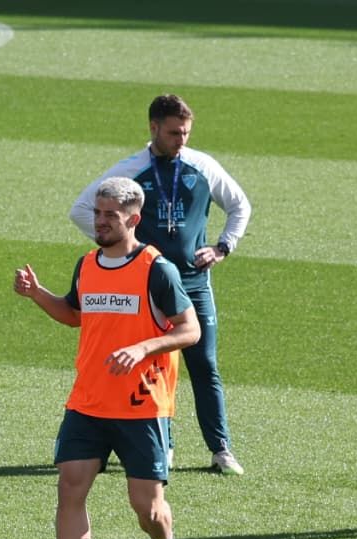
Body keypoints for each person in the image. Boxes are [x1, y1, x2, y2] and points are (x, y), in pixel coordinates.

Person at [15, 176, 201, 539]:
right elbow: (75, 314)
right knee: (70, 487)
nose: (99, 222)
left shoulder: (157, 270)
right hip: (88, 402)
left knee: (147, 508)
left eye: (109, 216)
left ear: (133, 219)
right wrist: (38, 294)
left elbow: (190, 330)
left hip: (142, 406)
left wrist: (143, 347)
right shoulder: (87, 265)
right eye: (97, 213)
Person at [69, 93, 250, 476]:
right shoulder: (130, 170)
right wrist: (125, 250)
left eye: (185, 132)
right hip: (149, 287)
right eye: (173, 133)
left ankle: (220, 448)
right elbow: (81, 210)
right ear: (153, 128)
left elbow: (240, 205)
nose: (181, 140)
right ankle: (162, 444)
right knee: (154, 365)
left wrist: (222, 247)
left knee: (205, 365)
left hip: (194, 282)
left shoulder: (202, 165)